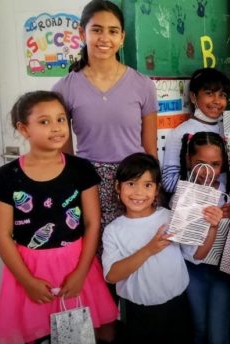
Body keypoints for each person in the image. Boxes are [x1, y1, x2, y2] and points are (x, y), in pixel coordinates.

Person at [0, 91, 118, 344]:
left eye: (61, 119)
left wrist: (79, 274)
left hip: (74, 273)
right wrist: (26, 281)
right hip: (28, 274)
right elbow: (2, 234)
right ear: (23, 129)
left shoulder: (80, 170)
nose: (56, 127)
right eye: (44, 121)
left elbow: (92, 224)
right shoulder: (7, 176)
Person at [101, 153, 222, 344]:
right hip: (137, 314)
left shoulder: (170, 218)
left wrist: (212, 228)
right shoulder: (114, 230)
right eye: (131, 184)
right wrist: (149, 249)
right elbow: (112, 275)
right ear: (118, 187)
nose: (138, 193)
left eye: (147, 185)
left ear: (157, 190)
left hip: (176, 309)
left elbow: (196, 255)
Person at [52, 0, 158, 227]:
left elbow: (150, 149)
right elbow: (65, 153)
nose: (105, 38)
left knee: (135, 249)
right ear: (82, 33)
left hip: (134, 180)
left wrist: (151, 187)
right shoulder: (64, 88)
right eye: (96, 30)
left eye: (113, 31)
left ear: (122, 37)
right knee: (96, 249)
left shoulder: (143, 85)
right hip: (89, 182)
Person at [176, 132, 230, 344]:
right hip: (196, 271)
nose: (208, 171)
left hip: (223, 271)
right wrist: (213, 226)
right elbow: (195, 255)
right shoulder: (182, 198)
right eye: (202, 163)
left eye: (215, 164)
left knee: (218, 338)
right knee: (200, 330)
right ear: (190, 161)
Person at [161, 68, 230, 193]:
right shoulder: (180, 133)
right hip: (194, 208)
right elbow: (169, 182)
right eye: (209, 93)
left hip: (227, 205)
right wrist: (206, 183)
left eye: (222, 95)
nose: (216, 101)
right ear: (193, 97)